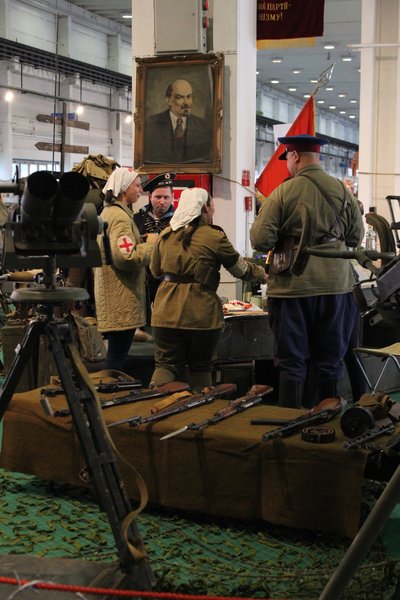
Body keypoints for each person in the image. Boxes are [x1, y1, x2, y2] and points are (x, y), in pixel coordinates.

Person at [250, 134, 364, 408]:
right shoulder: (342, 191)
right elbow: (355, 237)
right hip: (337, 287)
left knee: (292, 362)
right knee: (330, 360)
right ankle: (328, 420)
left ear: (294, 156)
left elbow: (260, 240)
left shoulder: (283, 192)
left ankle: (289, 423)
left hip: (293, 288)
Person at [149, 187, 268, 392]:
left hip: (164, 312)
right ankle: (200, 405)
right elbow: (240, 270)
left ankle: (154, 400)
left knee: (166, 365)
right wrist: (262, 273)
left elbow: (155, 270)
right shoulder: (214, 237)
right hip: (200, 313)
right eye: (212, 206)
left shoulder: (165, 234)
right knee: (201, 366)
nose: (213, 210)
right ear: (204, 208)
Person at [93, 167, 157, 371]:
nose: (141, 190)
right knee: (116, 358)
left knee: (116, 354)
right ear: (123, 188)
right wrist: (151, 245)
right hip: (121, 298)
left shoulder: (110, 213)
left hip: (113, 295)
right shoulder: (120, 217)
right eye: (137, 186)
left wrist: (140, 242)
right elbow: (125, 257)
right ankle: (110, 389)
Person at [134, 172, 176, 306]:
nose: (162, 202)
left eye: (166, 197)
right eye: (158, 197)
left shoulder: (179, 221)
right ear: (150, 196)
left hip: (168, 279)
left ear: (172, 197)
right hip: (143, 278)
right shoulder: (137, 218)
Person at [145, 79, 212, 164]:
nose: (186, 102)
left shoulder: (204, 127)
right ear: (168, 100)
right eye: (179, 97)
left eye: (189, 97)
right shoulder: (150, 125)